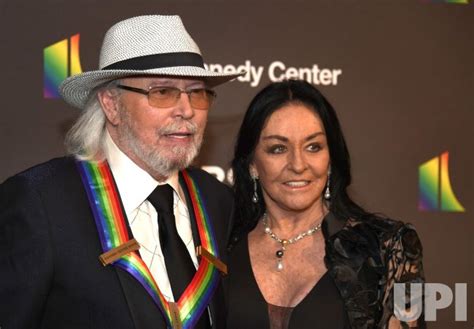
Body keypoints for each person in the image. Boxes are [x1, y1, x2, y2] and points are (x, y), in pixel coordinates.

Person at [0, 15, 241, 329]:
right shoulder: (40, 202)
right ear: (111, 104)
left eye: (197, 92)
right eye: (163, 92)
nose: (186, 109)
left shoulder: (216, 199)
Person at [226, 80, 425, 329]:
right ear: (252, 164)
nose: (298, 165)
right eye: (278, 148)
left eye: (313, 147)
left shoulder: (387, 248)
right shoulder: (223, 241)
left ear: (330, 160)